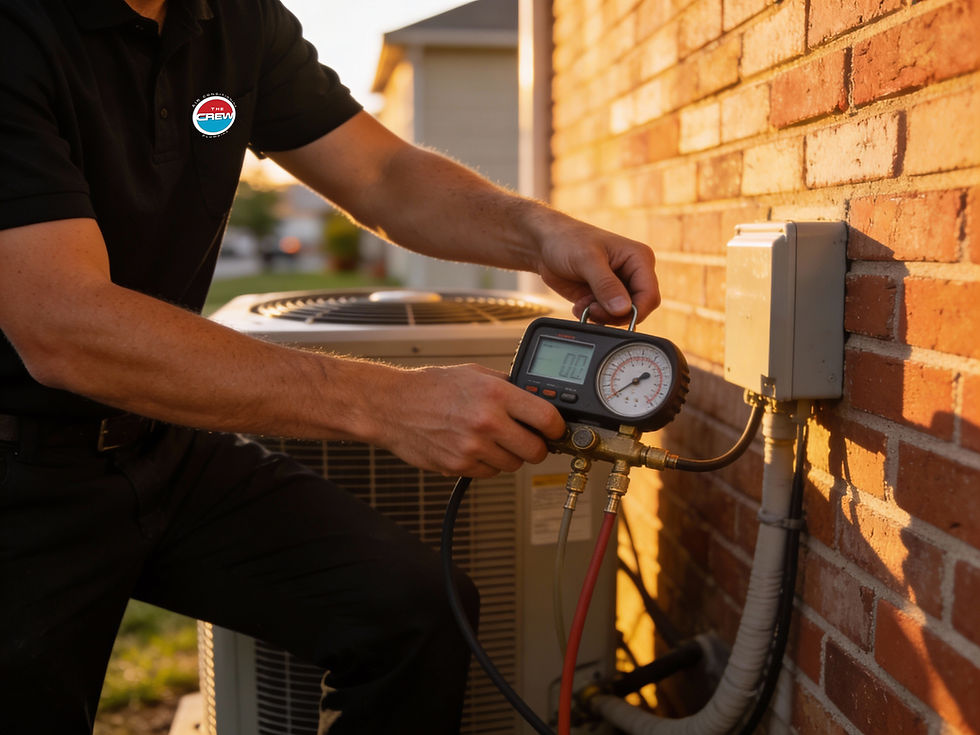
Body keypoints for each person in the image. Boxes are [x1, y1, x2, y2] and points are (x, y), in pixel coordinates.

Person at [0, 0, 660, 733]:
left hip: (158, 440)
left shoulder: (233, 19)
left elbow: (382, 173)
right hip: (16, 467)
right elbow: (60, 321)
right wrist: (385, 402)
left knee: (414, 611)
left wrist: (542, 233)